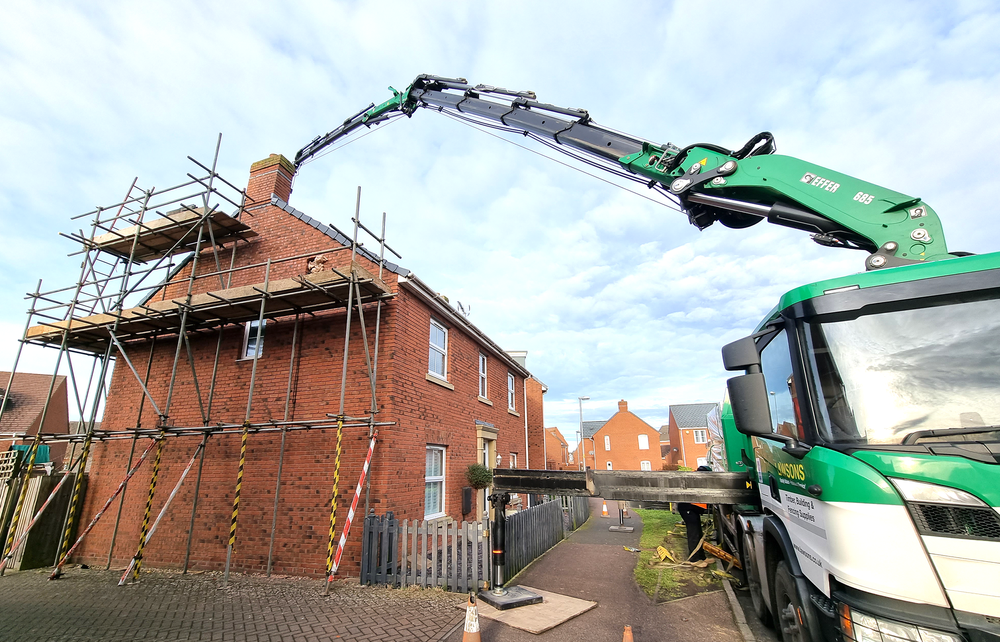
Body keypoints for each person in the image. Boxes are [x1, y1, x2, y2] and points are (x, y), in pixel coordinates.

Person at [677, 466, 712, 562]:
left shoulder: (696, 480)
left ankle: (701, 557)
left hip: (692, 510)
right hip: (688, 509)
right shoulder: (695, 482)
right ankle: (694, 559)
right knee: (694, 534)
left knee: (698, 533)